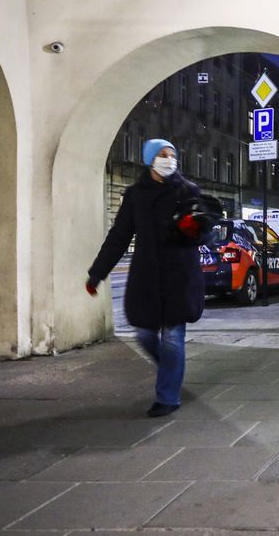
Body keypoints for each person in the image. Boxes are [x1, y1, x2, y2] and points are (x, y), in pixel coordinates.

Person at [86, 138, 209, 417]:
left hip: (179, 276)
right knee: (144, 335)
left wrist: (193, 229)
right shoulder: (135, 195)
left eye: (172, 155)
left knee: (173, 338)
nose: (169, 160)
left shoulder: (188, 190)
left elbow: (205, 232)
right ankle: (171, 369)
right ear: (150, 159)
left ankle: (168, 397)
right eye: (163, 155)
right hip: (148, 277)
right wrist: (97, 273)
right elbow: (118, 237)